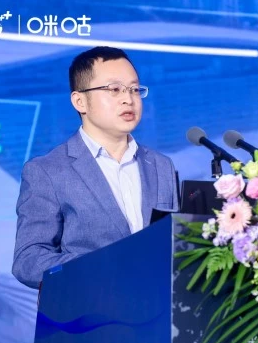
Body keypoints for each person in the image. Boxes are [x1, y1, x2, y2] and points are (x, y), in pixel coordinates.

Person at [12, 46, 179, 291]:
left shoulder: (161, 165)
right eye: (114, 89)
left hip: (158, 305)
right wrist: (101, 267)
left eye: (134, 89)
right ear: (80, 101)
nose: (128, 99)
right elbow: (28, 260)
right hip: (89, 309)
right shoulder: (47, 171)